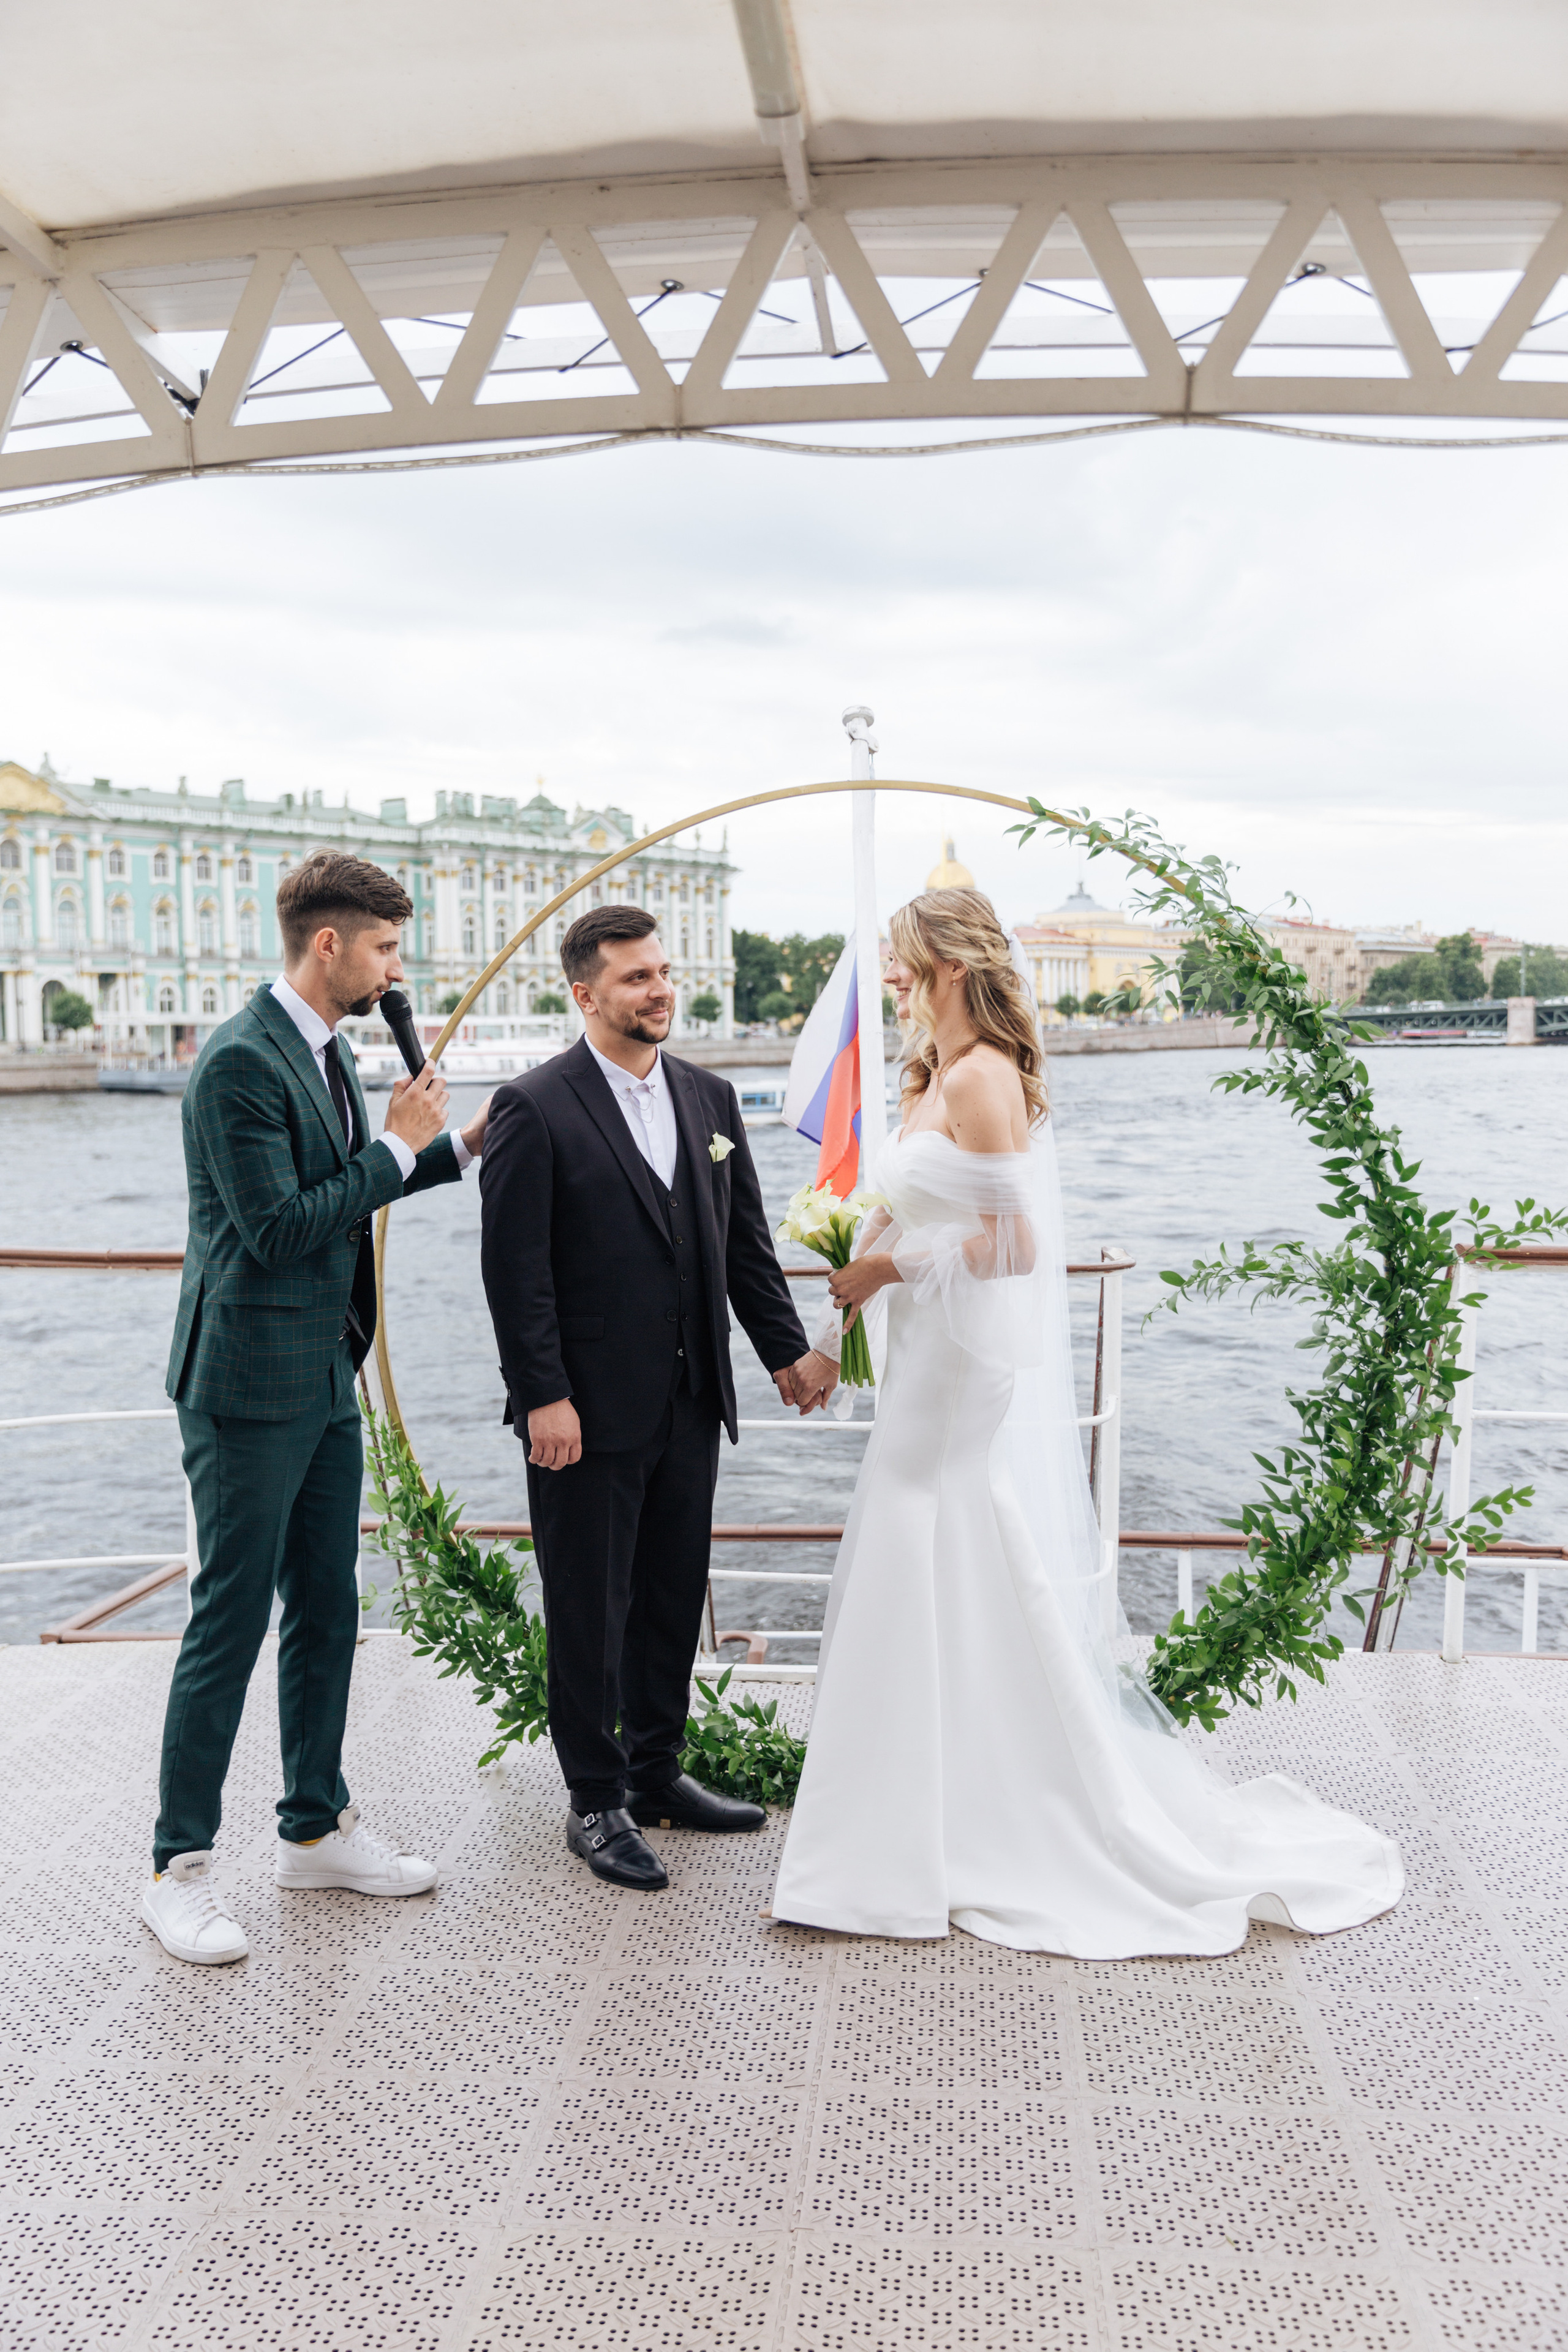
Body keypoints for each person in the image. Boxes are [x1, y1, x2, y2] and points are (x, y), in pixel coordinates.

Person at [771, 887, 1403, 1955]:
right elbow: (897, 1208)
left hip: (963, 1365)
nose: (893, 980)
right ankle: (921, 1797)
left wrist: (890, 1266)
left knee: (932, 1523)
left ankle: (940, 1821)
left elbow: (1016, 1250)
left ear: (953, 966)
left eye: (905, 963)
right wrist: (837, 1335)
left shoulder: (985, 1080)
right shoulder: (929, 1074)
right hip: (922, 1350)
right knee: (924, 1539)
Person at [141, 851, 490, 1967]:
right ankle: (179, 1867)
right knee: (230, 1621)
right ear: (328, 945)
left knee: (327, 1607)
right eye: (385, 950)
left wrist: (457, 1145)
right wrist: (396, 1144)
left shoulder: (325, 1048)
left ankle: (313, 1826)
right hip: (245, 1384)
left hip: (324, 1371)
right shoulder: (238, 1064)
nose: (398, 973)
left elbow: (355, 1177)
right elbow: (280, 1226)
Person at [478, 905, 838, 1891]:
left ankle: (655, 1773)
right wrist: (542, 1395)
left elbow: (745, 1249)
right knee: (592, 1607)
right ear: (586, 994)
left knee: (672, 1596)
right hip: (582, 1414)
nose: (660, 990)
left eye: (664, 972)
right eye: (636, 978)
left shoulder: (712, 1100)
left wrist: (786, 1355)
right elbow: (517, 1275)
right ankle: (594, 1803)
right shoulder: (534, 1106)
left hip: (689, 1400)